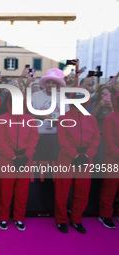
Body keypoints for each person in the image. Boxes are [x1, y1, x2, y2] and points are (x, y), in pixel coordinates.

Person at [54, 89, 100, 234]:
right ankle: (61, 220)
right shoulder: (63, 118)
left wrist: (87, 155)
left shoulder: (91, 119)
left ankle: (76, 219)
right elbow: (62, 139)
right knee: (62, 192)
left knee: (82, 192)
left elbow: (96, 139)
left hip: (86, 159)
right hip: (67, 159)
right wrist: (74, 155)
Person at [0, 94, 39, 232]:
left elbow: (34, 139)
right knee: (5, 192)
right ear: (10, 102)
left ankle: (19, 218)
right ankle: (3, 218)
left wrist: (26, 156)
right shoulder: (2, 119)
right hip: (7, 161)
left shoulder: (30, 120)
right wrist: (13, 157)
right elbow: (0, 141)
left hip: (25, 160)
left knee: (22, 191)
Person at [98, 90, 119, 229]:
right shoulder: (110, 118)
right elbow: (108, 141)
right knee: (109, 188)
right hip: (112, 158)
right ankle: (105, 215)